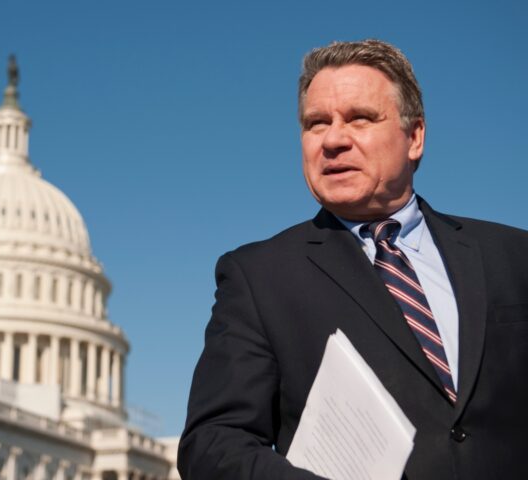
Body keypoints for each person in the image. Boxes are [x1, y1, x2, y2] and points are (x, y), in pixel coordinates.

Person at [177, 39, 528, 479]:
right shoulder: (258, 277)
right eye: (316, 123)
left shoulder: (515, 257)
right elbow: (213, 445)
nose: (333, 140)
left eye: (360, 119)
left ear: (415, 136)